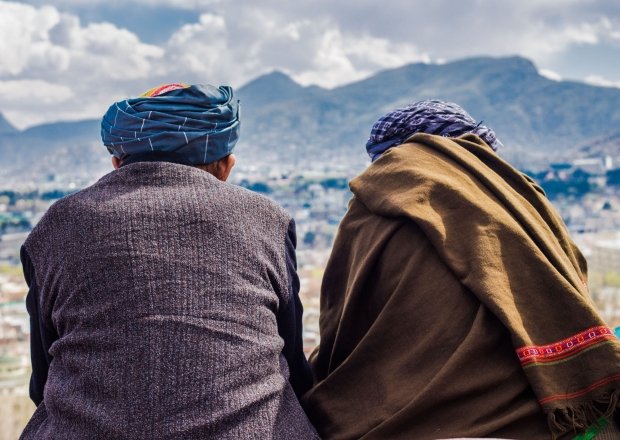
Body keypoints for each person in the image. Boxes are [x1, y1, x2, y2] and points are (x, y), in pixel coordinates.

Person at [302, 100, 620, 439]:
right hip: (545, 424)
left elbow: (341, 333)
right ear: (476, 151)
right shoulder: (526, 204)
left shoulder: (368, 216)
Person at [20, 83, 318, 439]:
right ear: (226, 167)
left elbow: (42, 382)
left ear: (117, 164)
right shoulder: (266, 219)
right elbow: (296, 370)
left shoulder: (58, 224)